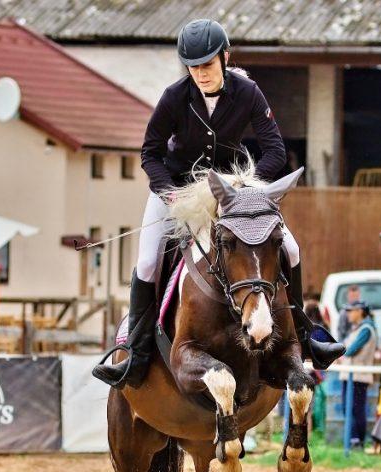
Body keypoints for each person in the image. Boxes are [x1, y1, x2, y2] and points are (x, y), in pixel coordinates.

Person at [92, 19, 344, 389]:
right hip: (178, 191)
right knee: (147, 261)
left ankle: (304, 334)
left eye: (207, 64)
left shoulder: (248, 92)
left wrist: (247, 188)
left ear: (225, 57)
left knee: (290, 247)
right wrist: (170, 193)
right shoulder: (174, 97)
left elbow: (275, 151)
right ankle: (136, 350)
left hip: (232, 192)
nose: (201, 73)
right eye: (193, 67)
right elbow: (150, 153)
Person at [337, 301, 377, 447]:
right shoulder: (359, 328)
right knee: (349, 409)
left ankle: (357, 441)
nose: (348, 314)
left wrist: (338, 355)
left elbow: (350, 350)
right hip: (351, 375)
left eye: (350, 311)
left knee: (356, 409)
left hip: (358, 376)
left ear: (360, 311)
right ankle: (353, 440)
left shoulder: (366, 329)